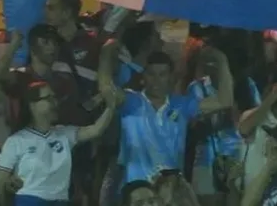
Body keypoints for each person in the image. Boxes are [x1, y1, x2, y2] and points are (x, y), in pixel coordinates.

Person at [100, 48, 234, 183]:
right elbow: (106, 89)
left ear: (170, 77)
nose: (156, 80)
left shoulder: (181, 105)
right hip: (136, 189)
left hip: (171, 189)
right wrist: (107, 50)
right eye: (151, 74)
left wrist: (222, 60)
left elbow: (224, 101)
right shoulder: (130, 101)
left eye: (162, 74)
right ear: (143, 76)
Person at [0, 80, 118, 204]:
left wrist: (111, 106)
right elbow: (1, 181)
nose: (55, 102)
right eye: (48, 98)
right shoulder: (16, 141)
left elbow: (96, 130)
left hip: (60, 201)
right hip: (29, 200)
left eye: (54, 98)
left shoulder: (64, 133)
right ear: (32, 106)